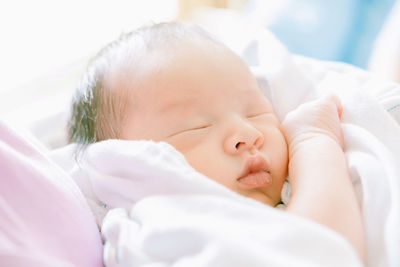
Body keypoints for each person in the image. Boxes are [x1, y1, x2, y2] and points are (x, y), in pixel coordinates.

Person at [68, 22, 365, 262]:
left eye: (255, 111)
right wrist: (314, 140)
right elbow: (323, 251)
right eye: (196, 127)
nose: (247, 134)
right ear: (123, 165)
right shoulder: (166, 226)